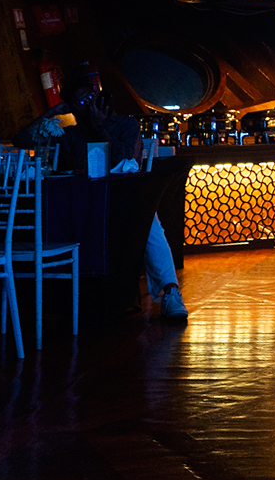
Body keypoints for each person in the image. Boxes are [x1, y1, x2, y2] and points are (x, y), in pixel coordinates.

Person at [14, 82, 188, 322]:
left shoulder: (126, 125)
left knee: (149, 222)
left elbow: (128, 160)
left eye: (89, 99)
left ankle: (170, 292)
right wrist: (52, 112)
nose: (87, 106)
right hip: (84, 204)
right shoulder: (71, 133)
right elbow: (20, 140)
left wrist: (100, 129)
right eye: (79, 103)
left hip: (125, 202)